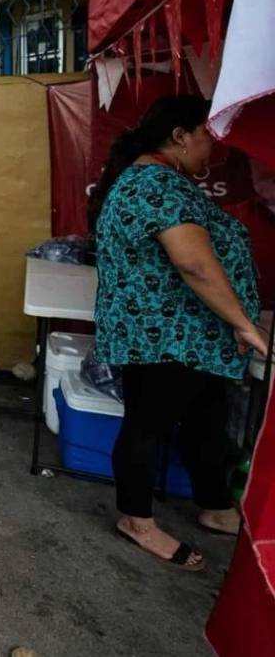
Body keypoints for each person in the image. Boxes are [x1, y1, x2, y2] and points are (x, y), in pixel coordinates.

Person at [88, 94, 267, 573]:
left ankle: (215, 505)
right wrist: (246, 325)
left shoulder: (162, 181)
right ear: (180, 136)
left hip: (189, 336)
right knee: (147, 426)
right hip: (164, 334)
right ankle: (137, 519)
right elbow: (193, 263)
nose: (216, 147)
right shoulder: (155, 185)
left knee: (206, 422)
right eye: (208, 135)